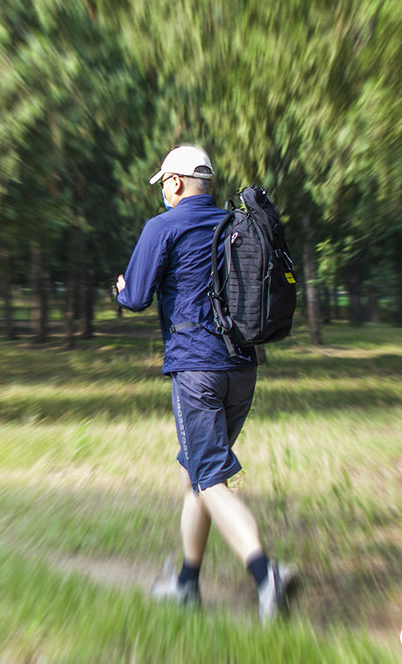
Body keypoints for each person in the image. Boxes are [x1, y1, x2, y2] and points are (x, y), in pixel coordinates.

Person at [115, 144, 296, 624]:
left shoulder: (163, 226)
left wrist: (118, 287)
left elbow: (134, 297)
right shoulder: (232, 224)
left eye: (164, 185)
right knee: (196, 475)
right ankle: (187, 585)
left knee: (209, 477)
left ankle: (265, 575)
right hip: (244, 366)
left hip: (196, 369)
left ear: (173, 182)